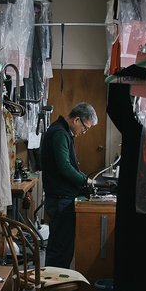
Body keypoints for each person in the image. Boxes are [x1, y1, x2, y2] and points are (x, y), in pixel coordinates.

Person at [40, 103, 98, 273]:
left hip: (60, 196)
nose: (83, 133)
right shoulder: (59, 133)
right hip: (60, 198)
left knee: (61, 245)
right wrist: (86, 181)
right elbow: (64, 168)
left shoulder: (62, 131)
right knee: (60, 247)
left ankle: (53, 289)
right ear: (77, 120)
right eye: (85, 128)